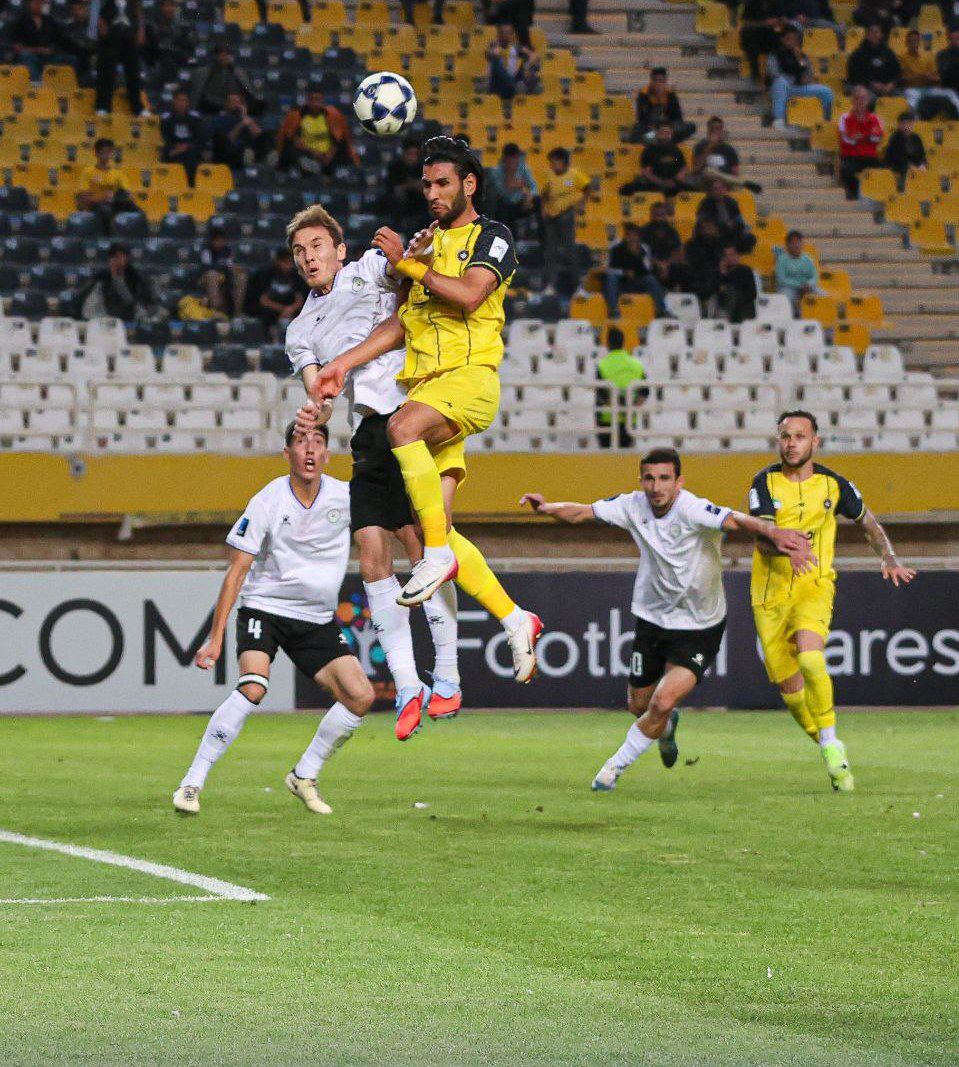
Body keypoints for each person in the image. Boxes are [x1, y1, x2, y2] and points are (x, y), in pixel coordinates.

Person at [309, 136, 543, 687]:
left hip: (469, 380)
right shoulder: (426, 244)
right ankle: (515, 618)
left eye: (443, 184)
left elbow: (468, 295)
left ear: (469, 185)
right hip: (429, 388)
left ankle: (435, 562)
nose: (433, 194)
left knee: (400, 428)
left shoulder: (493, 236)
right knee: (433, 524)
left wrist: (407, 265)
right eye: (427, 185)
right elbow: (401, 324)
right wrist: (342, 363)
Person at [519, 448, 812, 792]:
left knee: (661, 701)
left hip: (700, 625)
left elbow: (736, 520)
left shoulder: (692, 508)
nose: (656, 487)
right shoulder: (632, 505)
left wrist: (773, 532)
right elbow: (582, 512)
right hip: (653, 620)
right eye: (649, 478)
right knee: (639, 706)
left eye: (664, 479)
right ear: (641, 480)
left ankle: (612, 769)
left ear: (678, 481)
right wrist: (546, 508)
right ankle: (667, 728)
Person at [285, 204, 462, 742]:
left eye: (317, 245)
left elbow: (404, 269)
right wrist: (313, 413)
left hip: (413, 412)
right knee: (370, 556)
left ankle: (448, 674)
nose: (309, 256)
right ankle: (408, 686)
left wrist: (414, 249)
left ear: (339, 251)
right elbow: (319, 393)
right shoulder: (300, 329)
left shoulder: (366, 270)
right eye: (299, 251)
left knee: (423, 549)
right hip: (368, 429)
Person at [172, 422, 369, 817]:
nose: (310, 449)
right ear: (286, 454)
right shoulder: (267, 501)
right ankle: (191, 783)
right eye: (300, 442)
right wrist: (215, 637)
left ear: (327, 454)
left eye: (318, 442)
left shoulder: (345, 497)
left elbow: (382, 531)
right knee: (254, 686)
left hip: (316, 619)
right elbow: (237, 571)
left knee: (360, 696)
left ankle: (304, 774)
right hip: (266, 608)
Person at [748, 410, 916, 792]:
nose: (791, 443)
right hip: (770, 596)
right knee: (793, 696)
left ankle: (829, 740)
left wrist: (889, 557)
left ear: (815, 442)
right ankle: (828, 745)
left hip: (814, 585)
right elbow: (761, 538)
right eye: (785, 436)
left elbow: (868, 522)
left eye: (799, 436)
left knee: (811, 658)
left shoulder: (834, 484)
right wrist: (786, 550)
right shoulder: (764, 483)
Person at [540, 146, 590, 294]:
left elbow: (587, 188)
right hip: (551, 218)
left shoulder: (574, 175)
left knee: (570, 252)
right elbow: (544, 194)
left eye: (554, 161)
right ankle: (550, 286)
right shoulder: (549, 176)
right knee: (551, 253)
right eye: (551, 162)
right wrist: (543, 209)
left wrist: (582, 204)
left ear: (563, 161)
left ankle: (579, 287)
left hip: (566, 217)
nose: (552, 165)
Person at [276, 90, 359, 175]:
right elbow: (294, 140)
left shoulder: (332, 116)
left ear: (323, 101)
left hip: (328, 155)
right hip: (307, 154)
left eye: (318, 100)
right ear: (308, 101)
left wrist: (329, 155)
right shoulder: (298, 116)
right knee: (289, 152)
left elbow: (339, 140)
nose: (315, 103)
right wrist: (313, 153)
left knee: (344, 154)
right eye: (312, 99)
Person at [767, 26, 835, 129]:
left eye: (794, 39)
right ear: (782, 39)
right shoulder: (775, 54)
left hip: (799, 87)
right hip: (782, 89)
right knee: (780, 82)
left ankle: (827, 120)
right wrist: (794, 79)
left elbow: (807, 72)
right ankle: (779, 120)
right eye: (789, 38)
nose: (792, 41)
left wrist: (800, 60)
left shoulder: (800, 55)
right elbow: (773, 74)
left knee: (826, 91)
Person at [595, 325, 647, 448]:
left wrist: (618, 407)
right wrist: (629, 408)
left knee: (607, 457)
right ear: (623, 342)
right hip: (629, 420)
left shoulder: (602, 365)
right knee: (625, 456)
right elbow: (645, 392)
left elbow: (602, 394)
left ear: (608, 343)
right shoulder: (637, 364)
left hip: (607, 419)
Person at [602, 223, 669, 317]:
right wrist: (623, 272)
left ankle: (662, 310)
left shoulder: (644, 249)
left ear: (638, 236)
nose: (631, 238)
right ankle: (613, 310)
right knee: (611, 277)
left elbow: (647, 269)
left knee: (650, 279)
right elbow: (608, 270)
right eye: (628, 234)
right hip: (620, 284)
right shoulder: (616, 249)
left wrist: (637, 255)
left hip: (637, 282)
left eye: (634, 235)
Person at [75, 137, 142, 230]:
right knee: (105, 211)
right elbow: (84, 199)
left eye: (109, 152)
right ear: (96, 153)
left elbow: (129, 195)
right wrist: (102, 198)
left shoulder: (118, 174)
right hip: (96, 206)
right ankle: (108, 237)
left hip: (115, 204)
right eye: (103, 152)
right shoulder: (88, 172)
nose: (106, 155)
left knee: (137, 212)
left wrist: (116, 197)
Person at [79, 241, 157, 319]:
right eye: (114, 257)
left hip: (132, 320)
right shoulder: (101, 279)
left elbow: (147, 305)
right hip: (107, 321)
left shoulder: (137, 278)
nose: (117, 261)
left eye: (120, 257)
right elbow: (88, 310)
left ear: (126, 259)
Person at [94, 0, 147, 115]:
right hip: (111, 38)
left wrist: (140, 30)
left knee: (134, 73)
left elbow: (139, 14)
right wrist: (102, 27)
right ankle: (103, 106)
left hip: (129, 38)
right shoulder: (107, 3)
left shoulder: (133, 4)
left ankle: (137, 107)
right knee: (107, 72)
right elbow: (101, 16)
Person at [244, 248, 309, 339]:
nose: (288, 266)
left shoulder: (296, 275)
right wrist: (283, 310)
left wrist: (290, 309)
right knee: (266, 315)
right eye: (285, 262)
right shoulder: (264, 274)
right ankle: (268, 339)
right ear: (278, 261)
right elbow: (263, 301)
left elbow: (300, 299)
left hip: (290, 309)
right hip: (269, 309)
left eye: (290, 263)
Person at [619, 122, 690, 197]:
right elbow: (647, 173)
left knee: (692, 189)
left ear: (671, 135)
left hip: (673, 182)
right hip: (655, 182)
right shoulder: (649, 150)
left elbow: (683, 167)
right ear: (657, 134)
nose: (665, 135)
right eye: (663, 132)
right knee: (627, 189)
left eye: (668, 133)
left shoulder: (676, 150)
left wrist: (679, 176)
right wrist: (662, 182)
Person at [837, 85, 884, 198]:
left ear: (868, 100)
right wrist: (867, 136)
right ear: (852, 100)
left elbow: (877, 139)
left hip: (870, 156)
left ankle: (872, 197)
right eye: (857, 98)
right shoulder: (844, 118)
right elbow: (846, 140)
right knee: (846, 170)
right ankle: (854, 196)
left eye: (863, 98)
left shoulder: (875, 118)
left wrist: (860, 137)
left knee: (883, 172)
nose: (860, 101)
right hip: (850, 156)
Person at [191, 41, 262, 116]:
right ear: (216, 56)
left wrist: (238, 101)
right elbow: (203, 96)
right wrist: (225, 104)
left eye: (226, 55)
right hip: (214, 106)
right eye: (222, 55)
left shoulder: (239, 72)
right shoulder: (205, 72)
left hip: (236, 105)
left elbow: (246, 91)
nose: (224, 57)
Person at [8, 0, 72, 81]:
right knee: (25, 56)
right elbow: (17, 48)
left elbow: (60, 40)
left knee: (70, 59)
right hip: (30, 56)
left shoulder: (50, 21)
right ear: (29, 4)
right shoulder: (20, 22)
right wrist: (39, 50)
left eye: (40, 3)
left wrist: (52, 50)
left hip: (48, 56)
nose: (38, 5)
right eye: (35, 3)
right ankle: (37, 84)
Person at [630, 68, 696, 144]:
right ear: (651, 81)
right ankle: (657, 138)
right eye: (655, 80)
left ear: (665, 82)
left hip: (669, 129)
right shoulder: (643, 95)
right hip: (652, 129)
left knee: (691, 126)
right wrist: (655, 129)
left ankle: (664, 139)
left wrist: (669, 129)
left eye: (661, 81)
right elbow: (642, 119)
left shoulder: (671, 95)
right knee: (637, 131)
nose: (658, 84)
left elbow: (678, 118)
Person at [381, 137, 430, 237]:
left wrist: (408, 185)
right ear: (403, 154)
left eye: (415, 154)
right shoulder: (395, 167)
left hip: (419, 202)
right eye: (409, 153)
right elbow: (394, 189)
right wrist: (412, 185)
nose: (412, 157)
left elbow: (426, 186)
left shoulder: (423, 167)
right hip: (400, 204)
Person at [211, 91, 273, 169]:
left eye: (238, 102)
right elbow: (228, 139)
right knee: (237, 148)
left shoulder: (246, 118)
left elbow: (258, 134)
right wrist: (240, 125)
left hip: (248, 149)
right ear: (227, 104)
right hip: (229, 150)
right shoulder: (220, 119)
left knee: (266, 135)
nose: (235, 104)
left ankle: (269, 158)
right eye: (232, 102)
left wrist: (244, 116)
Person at [485, 142, 538, 232]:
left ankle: (541, 236)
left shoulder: (523, 168)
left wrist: (528, 195)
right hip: (504, 204)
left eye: (515, 158)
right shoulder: (497, 171)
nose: (512, 162)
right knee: (500, 205)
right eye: (509, 159)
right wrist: (512, 183)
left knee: (537, 201)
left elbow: (534, 187)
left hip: (521, 202)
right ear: (504, 159)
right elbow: (501, 192)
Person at [695, 177, 756, 253]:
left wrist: (737, 227)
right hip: (714, 235)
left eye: (721, 187)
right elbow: (705, 225)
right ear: (710, 192)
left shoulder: (731, 202)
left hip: (730, 233)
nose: (720, 190)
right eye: (716, 189)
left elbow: (739, 220)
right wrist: (725, 225)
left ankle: (733, 254)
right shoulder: (705, 205)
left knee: (750, 238)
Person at [145, 0, 194, 87]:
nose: (169, 9)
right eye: (166, 6)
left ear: (175, 7)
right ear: (161, 7)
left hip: (177, 59)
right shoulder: (152, 25)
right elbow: (150, 47)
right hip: (158, 59)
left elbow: (188, 49)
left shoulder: (184, 26)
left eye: (172, 5)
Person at [160, 88, 204, 184]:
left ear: (188, 103)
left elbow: (198, 137)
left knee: (193, 155)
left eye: (184, 100)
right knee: (169, 153)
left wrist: (186, 146)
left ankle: (190, 185)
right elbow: (165, 137)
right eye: (179, 100)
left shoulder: (195, 118)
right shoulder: (166, 118)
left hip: (189, 150)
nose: (181, 103)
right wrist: (175, 147)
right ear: (174, 101)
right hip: (173, 149)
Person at [486, 21, 540, 99]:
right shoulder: (493, 46)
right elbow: (489, 54)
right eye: (502, 32)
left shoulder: (516, 48)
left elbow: (534, 56)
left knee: (530, 65)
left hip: (512, 81)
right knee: (495, 61)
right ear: (498, 35)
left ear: (512, 35)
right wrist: (494, 50)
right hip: (497, 84)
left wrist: (527, 67)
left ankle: (526, 94)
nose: (505, 35)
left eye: (508, 33)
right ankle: (514, 87)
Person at [200, 225, 245, 316]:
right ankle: (216, 311)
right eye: (218, 240)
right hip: (206, 278)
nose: (220, 242)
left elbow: (229, 264)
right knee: (212, 274)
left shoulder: (227, 250)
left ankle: (238, 312)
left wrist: (235, 268)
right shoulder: (206, 250)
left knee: (241, 276)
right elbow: (207, 267)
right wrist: (224, 267)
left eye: (222, 240)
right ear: (212, 241)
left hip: (224, 276)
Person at [846, 23, 901, 98]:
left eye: (876, 32)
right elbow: (854, 76)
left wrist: (891, 84)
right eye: (870, 32)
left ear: (881, 35)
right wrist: (871, 84)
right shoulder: (858, 53)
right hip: (865, 87)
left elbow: (897, 72)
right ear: (867, 35)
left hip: (886, 88)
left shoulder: (888, 53)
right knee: (871, 98)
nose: (873, 34)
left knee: (900, 98)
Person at [774, 229, 821, 313]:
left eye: (798, 242)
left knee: (824, 297)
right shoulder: (781, 260)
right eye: (793, 243)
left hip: (807, 287)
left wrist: (808, 284)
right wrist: (799, 286)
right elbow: (781, 280)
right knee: (784, 298)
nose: (796, 245)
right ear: (787, 245)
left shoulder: (808, 259)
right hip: (788, 288)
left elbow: (815, 277)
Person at [739, 0, 786, 81]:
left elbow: (782, 19)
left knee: (783, 36)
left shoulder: (776, 4)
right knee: (748, 35)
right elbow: (746, 23)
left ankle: (777, 73)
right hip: (755, 36)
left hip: (771, 35)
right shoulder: (751, 4)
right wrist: (764, 23)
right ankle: (755, 72)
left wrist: (779, 21)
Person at [640, 200, 683, 285]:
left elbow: (678, 251)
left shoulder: (672, 232)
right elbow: (641, 253)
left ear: (666, 215)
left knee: (683, 268)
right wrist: (659, 264)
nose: (660, 218)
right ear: (651, 215)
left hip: (669, 264)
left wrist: (666, 264)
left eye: (662, 214)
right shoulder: (643, 232)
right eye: (657, 214)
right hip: (651, 263)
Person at [900, 29, 942, 116]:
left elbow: (936, 76)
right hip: (912, 89)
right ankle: (914, 119)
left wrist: (930, 78)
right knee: (912, 101)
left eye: (916, 40)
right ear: (907, 42)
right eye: (911, 40)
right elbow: (902, 78)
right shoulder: (902, 58)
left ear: (919, 42)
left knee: (946, 96)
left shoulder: (928, 55)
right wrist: (920, 76)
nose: (914, 43)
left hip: (928, 88)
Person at [712, 244, 757, 323]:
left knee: (732, 293)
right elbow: (717, 291)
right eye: (726, 255)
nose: (729, 258)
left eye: (731, 254)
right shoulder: (719, 272)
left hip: (743, 305)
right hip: (724, 305)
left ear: (738, 255)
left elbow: (752, 293)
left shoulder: (746, 271)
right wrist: (723, 274)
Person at [883, 109, 927, 186]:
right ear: (899, 125)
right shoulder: (895, 138)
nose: (906, 126)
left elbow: (922, 155)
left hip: (915, 168)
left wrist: (922, 164)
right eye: (904, 123)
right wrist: (910, 166)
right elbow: (896, 158)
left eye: (909, 123)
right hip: (898, 167)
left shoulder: (916, 138)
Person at [932, 25, 959, 117]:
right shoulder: (942, 55)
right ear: (948, 39)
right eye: (953, 38)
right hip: (948, 90)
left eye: (958, 38)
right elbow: (944, 73)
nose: (956, 41)